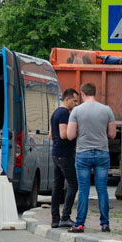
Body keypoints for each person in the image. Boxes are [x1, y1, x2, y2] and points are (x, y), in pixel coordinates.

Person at [65, 81, 117, 233]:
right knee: (102, 189)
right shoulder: (107, 110)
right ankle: (105, 224)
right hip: (102, 153)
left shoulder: (76, 111)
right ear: (95, 92)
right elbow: (112, 134)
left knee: (83, 190)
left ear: (82, 93)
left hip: (83, 153)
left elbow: (70, 135)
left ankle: (80, 223)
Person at [49, 89, 80, 228]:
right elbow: (63, 134)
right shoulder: (63, 113)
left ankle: (55, 219)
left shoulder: (55, 112)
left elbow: (51, 135)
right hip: (64, 154)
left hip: (56, 153)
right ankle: (65, 217)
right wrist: (76, 132)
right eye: (74, 101)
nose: (76, 104)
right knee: (74, 184)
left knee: (57, 187)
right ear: (67, 100)